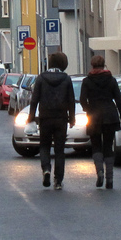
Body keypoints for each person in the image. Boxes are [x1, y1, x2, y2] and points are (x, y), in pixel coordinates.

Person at [27, 52, 75, 190]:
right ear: (63, 64)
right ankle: (58, 180)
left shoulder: (41, 78)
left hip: (45, 117)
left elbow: (34, 99)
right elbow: (71, 100)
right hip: (61, 118)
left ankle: (46, 169)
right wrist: (72, 118)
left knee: (44, 146)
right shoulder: (66, 79)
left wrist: (31, 117)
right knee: (60, 150)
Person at [79, 55, 121, 189]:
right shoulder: (111, 80)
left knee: (96, 145)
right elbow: (118, 100)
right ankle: (110, 179)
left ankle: (99, 171)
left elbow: (83, 100)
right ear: (104, 65)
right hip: (110, 116)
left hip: (94, 116)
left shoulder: (87, 81)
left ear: (92, 65)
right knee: (108, 146)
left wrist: (88, 109)